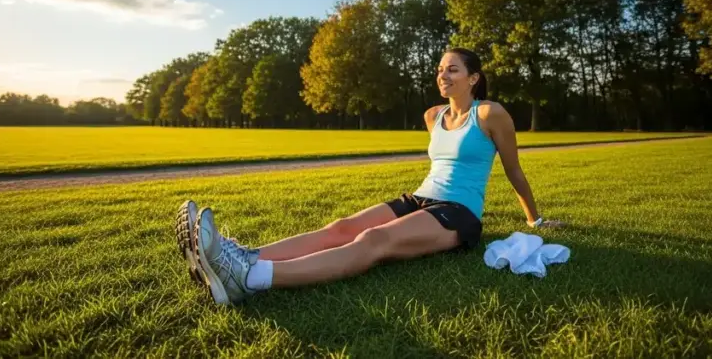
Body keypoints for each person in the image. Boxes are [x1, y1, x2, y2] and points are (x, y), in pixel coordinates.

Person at [175, 47, 565, 305]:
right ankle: (238, 256)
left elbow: (513, 170)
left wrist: (534, 220)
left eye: (453, 69)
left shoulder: (490, 114)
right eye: (440, 70)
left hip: (458, 212)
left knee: (374, 240)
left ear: (473, 78)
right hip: (420, 197)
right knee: (341, 227)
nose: (443, 75)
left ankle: (251, 277)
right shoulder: (434, 116)